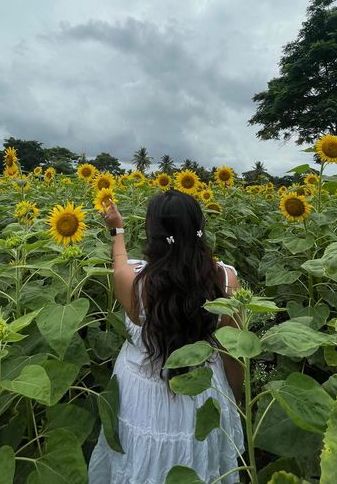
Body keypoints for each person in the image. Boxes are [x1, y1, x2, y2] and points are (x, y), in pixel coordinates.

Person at [88, 189, 245, 484]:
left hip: (141, 396)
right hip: (203, 392)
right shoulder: (225, 280)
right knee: (199, 464)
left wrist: (117, 230)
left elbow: (119, 261)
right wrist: (234, 398)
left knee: (139, 462)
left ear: (153, 234)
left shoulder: (133, 282)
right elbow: (232, 353)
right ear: (200, 227)